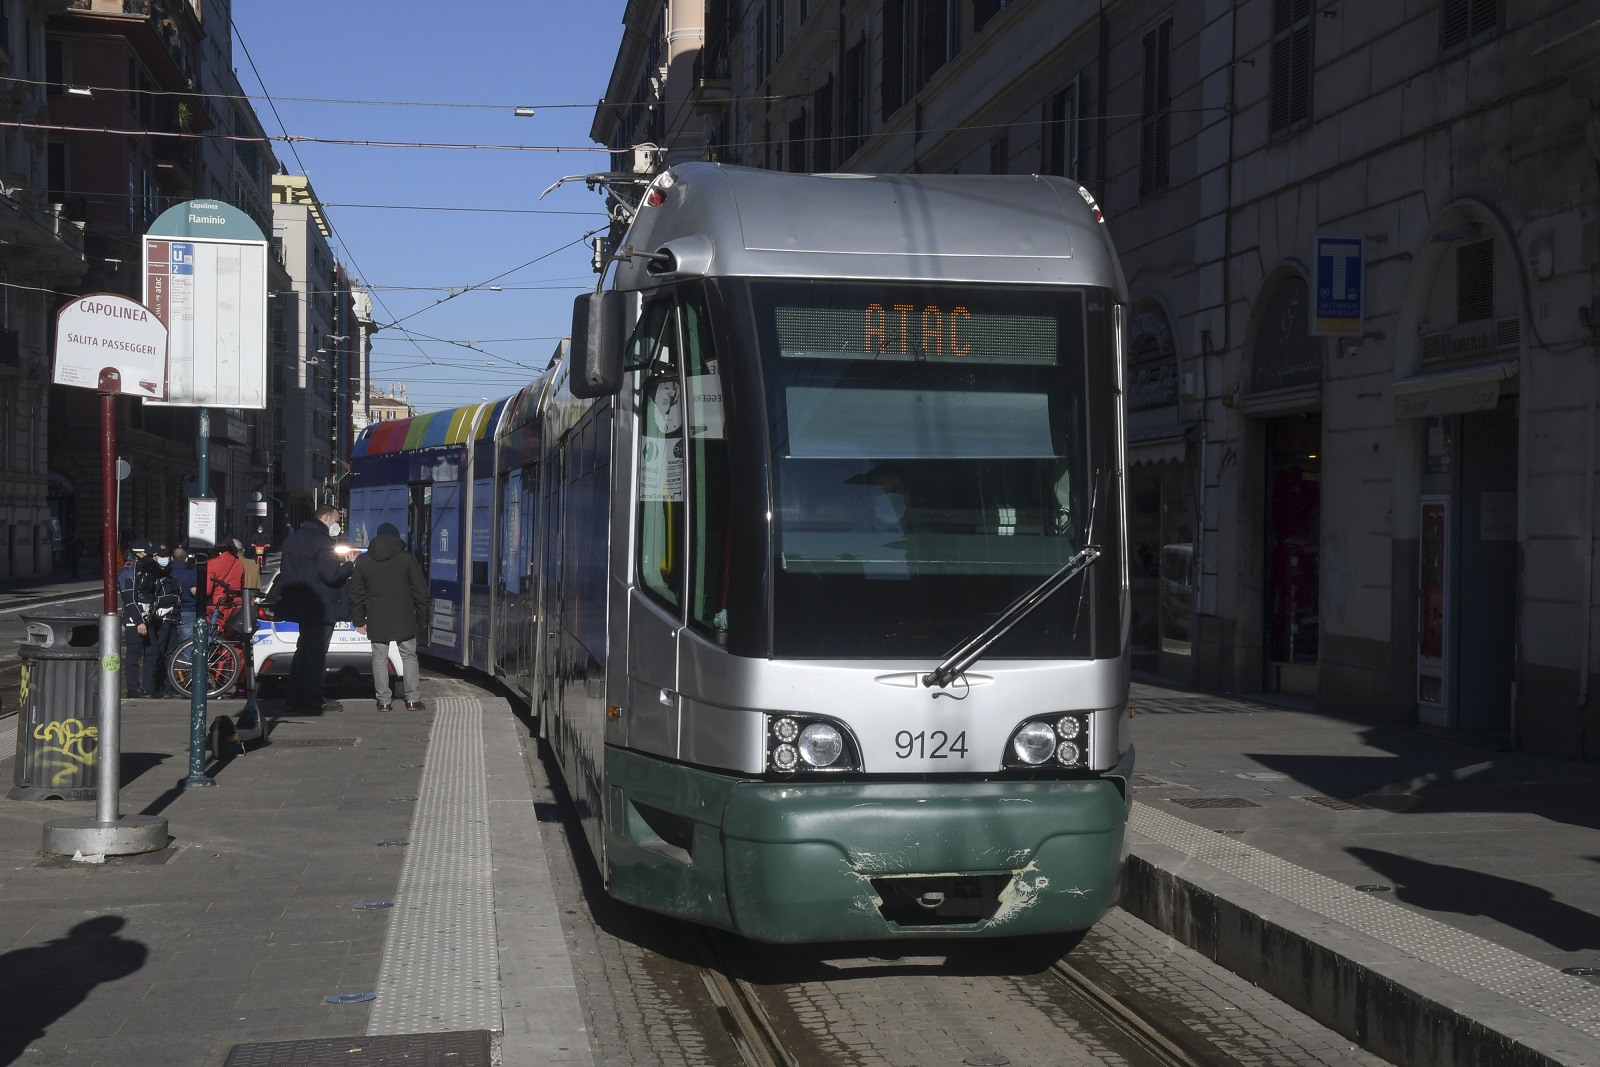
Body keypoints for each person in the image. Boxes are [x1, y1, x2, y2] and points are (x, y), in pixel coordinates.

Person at [277, 506, 355, 713]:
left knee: (302, 649)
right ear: (327, 517)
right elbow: (330, 574)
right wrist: (348, 566)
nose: (338, 525)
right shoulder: (322, 541)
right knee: (316, 653)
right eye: (337, 520)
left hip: (300, 603)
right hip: (320, 605)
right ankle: (313, 697)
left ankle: (293, 696)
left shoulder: (293, 539)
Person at [349, 522, 429, 712]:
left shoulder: (364, 561)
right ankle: (412, 700)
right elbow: (420, 592)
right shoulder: (407, 559)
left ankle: (384, 701)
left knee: (379, 659)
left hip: (377, 617)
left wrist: (359, 620)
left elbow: (356, 593)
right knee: (409, 657)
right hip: (404, 617)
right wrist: (423, 619)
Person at [142, 543, 181, 698]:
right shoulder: (152, 574)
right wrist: (172, 598)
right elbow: (155, 596)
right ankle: (152, 687)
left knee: (169, 654)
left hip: (172, 618)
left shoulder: (171, 573)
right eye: (161, 556)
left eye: (166, 556)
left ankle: (167, 688)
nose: (164, 559)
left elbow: (178, 593)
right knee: (155, 654)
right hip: (159, 619)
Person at [117, 538, 152, 698]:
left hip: (144, 616)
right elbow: (129, 599)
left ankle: (141, 687)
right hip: (134, 619)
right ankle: (133, 688)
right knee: (134, 654)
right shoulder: (129, 570)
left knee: (143, 653)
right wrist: (139, 622)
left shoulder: (141, 567)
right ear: (139, 553)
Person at [171, 546, 198, 643]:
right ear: (186, 559)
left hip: (169, 610)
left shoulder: (168, 572)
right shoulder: (192, 574)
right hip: (188, 608)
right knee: (188, 642)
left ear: (171, 558)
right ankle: (187, 658)